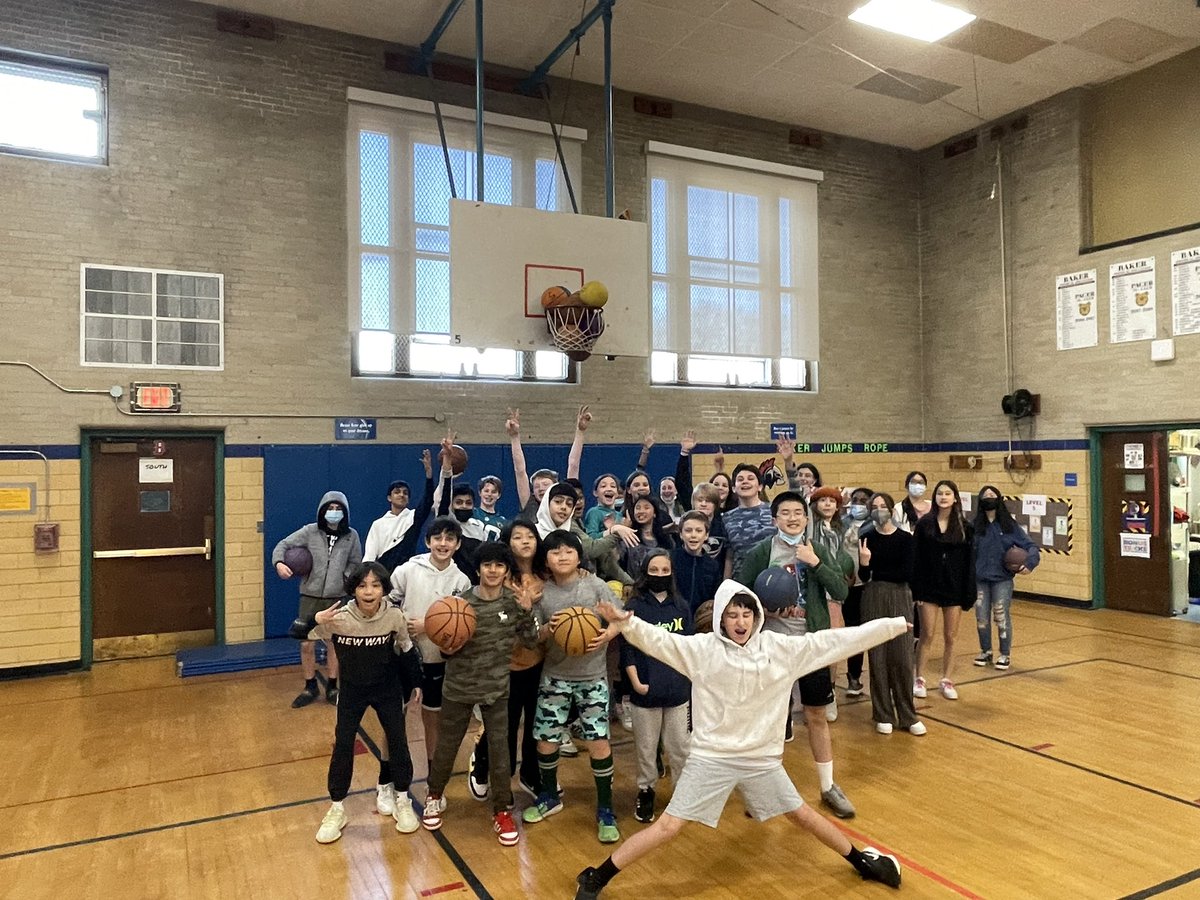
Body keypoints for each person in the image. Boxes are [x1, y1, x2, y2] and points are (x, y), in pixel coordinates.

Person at [573, 582, 906, 899]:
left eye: (746, 613)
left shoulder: (781, 649)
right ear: (720, 618)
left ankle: (863, 862)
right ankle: (597, 876)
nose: (740, 621)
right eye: (732, 614)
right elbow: (659, 640)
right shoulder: (702, 650)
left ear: (757, 615)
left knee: (802, 815)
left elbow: (837, 641)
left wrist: (892, 626)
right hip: (711, 758)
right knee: (669, 827)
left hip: (761, 760)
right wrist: (628, 626)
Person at [737, 491, 856, 819]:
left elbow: (841, 590)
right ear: (775, 519)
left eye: (798, 513)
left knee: (816, 715)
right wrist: (766, 611)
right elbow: (739, 594)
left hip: (809, 645)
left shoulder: (815, 549)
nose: (792, 518)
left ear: (807, 518)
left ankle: (828, 785)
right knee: (771, 720)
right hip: (773, 646)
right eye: (785, 513)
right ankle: (764, 790)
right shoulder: (763, 551)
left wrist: (815, 563)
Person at [422, 542, 539, 847]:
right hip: (459, 687)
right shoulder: (459, 604)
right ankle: (434, 794)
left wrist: (528, 612)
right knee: (447, 746)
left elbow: (530, 640)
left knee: (501, 752)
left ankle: (501, 810)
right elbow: (446, 645)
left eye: (499, 565)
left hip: (497, 689)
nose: (493, 570)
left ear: (506, 571)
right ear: (478, 569)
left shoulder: (514, 604)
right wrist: (446, 648)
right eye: (487, 565)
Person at [521, 530, 624, 844]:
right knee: (546, 740)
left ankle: (606, 808)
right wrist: (546, 630)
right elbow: (533, 636)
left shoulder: (595, 586)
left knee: (598, 742)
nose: (562, 556)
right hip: (555, 676)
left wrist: (609, 633)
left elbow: (621, 619)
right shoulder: (543, 592)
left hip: (592, 678)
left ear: (580, 556)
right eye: (555, 552)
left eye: (568, 551)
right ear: (547, 560)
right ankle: (550, 796)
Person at [308, 562, 422, 843]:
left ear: (384, 589)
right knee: (343, 745)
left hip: (387, 689)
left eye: (375, 585)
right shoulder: (338, 619)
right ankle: (337, 808)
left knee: (397, 741)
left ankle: (403, 798)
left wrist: (416, 682)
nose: (369, 591)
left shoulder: (394, 616)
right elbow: (297, 633)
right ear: (353, 590)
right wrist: (317, 620)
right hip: (352, 692)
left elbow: (406, 650)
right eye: (362, 585)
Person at [469, 520, 550, 797]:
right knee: (503, 724)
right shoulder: (500, 576)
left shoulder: (547, 573)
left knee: (536, 724)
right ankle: (481, 765)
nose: (525, 541)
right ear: (508, 542)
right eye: (518, 537)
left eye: (530, 536)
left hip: (540, 661)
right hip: (506, 663)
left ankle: (530, 772)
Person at [389, 516, 472, 773]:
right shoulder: (407, 570)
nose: (443, 543)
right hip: (405, 655)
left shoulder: (461, 581)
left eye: (449, 539)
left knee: (432, 716)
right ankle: (389, 776)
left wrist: (429, 625)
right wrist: (403, 622)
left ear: (458, 544)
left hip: (438, 658)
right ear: (428, 541)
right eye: (438, 538)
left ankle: (434, 775)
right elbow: (388, 604)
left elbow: (461, 624)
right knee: (395, 715)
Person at [620, 551, 692, 823]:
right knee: (646, 748)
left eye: (665, 570)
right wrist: (635, 682)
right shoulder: (636, 606)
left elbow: (689, 648)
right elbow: (627, 648)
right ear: (644, 572)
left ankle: (682, 795)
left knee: (680, 747)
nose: (660, 575)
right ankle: (646, 790)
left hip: (677, 690)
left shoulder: (681, 606)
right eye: (654, 570)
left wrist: (688, 680)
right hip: (645, 689)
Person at [272, 490, 361, 708]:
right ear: (322, 511)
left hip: (336, 598)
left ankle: (332, 685)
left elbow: (356, 562)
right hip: (309, 596)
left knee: (333, 644)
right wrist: (279, 563)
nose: (333, 512)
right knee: (306, 644)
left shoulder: (352, 536)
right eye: (329, 508)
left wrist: (345, 576)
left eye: (338, 509)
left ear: (344, 512)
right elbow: (282, 545)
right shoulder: (310, 531)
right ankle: (310, 685)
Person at [858, 493, 924, 736]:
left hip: (900, 596)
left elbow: (906, 571)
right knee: (878, 657)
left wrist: (877, 569)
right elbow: (864, 577)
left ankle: (908, 714)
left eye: (882, 506)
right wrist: (865, 564)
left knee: (903, 658)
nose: (879, 510)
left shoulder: (906, 538)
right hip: (873, 596)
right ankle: (882, 713)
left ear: (891, 509)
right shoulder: (865, 538)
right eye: (874, 507)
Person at [912, 479, 975, 701]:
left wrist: (969, 591)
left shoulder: (965, 527)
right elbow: (916, 558)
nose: (943, 497)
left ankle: (947, 680)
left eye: (948, 493)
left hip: (954, 588)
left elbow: (969, 562)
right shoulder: (924, 524)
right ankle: (919, 677)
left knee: (951, 636)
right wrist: (916, 590)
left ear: (955, 498)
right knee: (927, 634)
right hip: (928, 587)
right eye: (940, 493)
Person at [973, 485, 1039, 670]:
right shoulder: (974, 527)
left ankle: (1004, 654)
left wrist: (1030, 564)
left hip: (1002, 579)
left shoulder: (1010, 526)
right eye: (985, 496)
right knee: (981, 617)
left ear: (999, 499)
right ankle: (985, 651)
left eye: (992, 495)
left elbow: (1031, 546)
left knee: (1001, 615)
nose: (989, 498)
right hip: (980, 579)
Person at [508, 405, 591, 520]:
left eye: (546, 485)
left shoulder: (565, 504)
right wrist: (514, 437)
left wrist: (580, 432)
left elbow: (573, 465)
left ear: (556, 487)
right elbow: (520, 471)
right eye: (536, 487)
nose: (541, 489)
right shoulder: (529, 504)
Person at [841, 486, 874, 696]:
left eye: (863, 500)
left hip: (868, 586)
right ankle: (852, 677)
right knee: (850, 632)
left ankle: (867, 677)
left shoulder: (874, 526)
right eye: (855, 500)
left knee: (867, 632)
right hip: (845, 586)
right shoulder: (842, 523)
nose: (859, 503)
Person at [722, 463, 774, 582]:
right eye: (740, 479)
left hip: (771, 580)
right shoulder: (726, 518)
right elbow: (729, 556)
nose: (745, 482)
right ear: (734, 488)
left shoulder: (774, 511)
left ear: (760, 487)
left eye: (750, 478)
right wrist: (726, 585)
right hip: (741, 581)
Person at [672, 510, 722, 615]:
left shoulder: (713, 566)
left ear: (706, 535)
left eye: (699, 531)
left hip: (700, 619)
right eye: (688, 530)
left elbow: (713, 598)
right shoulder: (670, 559)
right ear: (681, 534)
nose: (693, 535)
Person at [475, 475, 507, 541]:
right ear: (480, 493)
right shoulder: (471, 513)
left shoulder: (503, 523)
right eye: (486, 491)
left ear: (499, 495)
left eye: (493, 492)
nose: (489, 494)